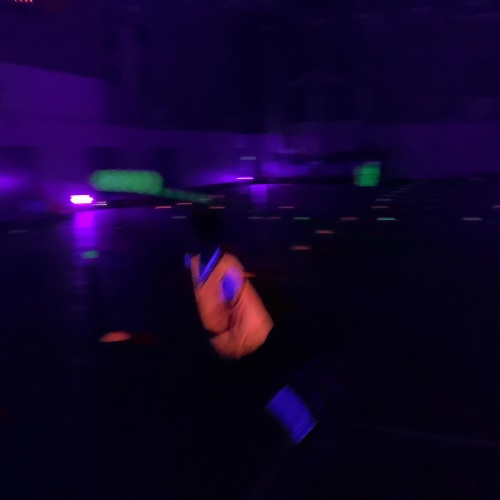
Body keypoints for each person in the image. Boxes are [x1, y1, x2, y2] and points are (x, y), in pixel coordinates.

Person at [185, 204, 273, 360]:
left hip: (240, 349)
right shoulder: (194, 261)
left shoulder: (229, 271)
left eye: (190, 232)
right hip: (216, 344)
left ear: (198, 236)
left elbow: (251, 324)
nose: (186, 237)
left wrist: (226, 351)